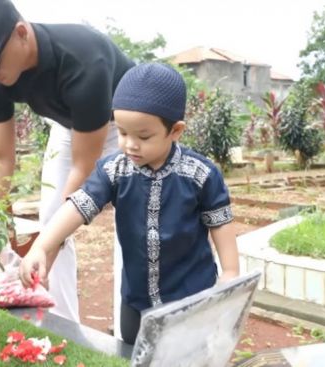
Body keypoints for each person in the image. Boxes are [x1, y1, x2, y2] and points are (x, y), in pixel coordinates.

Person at [19, 63, 240, 344]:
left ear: (175, 131)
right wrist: (42, 246)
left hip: (192, 302)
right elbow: (77, 206)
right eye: (122, 133)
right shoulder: (115, 170)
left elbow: (220, 223)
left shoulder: (200, 174)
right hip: (136, 304)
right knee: (134, 356)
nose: (130, 145)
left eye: (143, 136)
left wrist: (230, 272)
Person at [0, 0, 134, 323]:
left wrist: (49, 242)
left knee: (131, 226)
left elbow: (83, 166)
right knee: (50, 219)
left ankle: (128, 338)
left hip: (129, 128)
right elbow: (0, 158)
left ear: (21, 33)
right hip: (70, 125)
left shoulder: (82, 60)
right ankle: (61, 324)